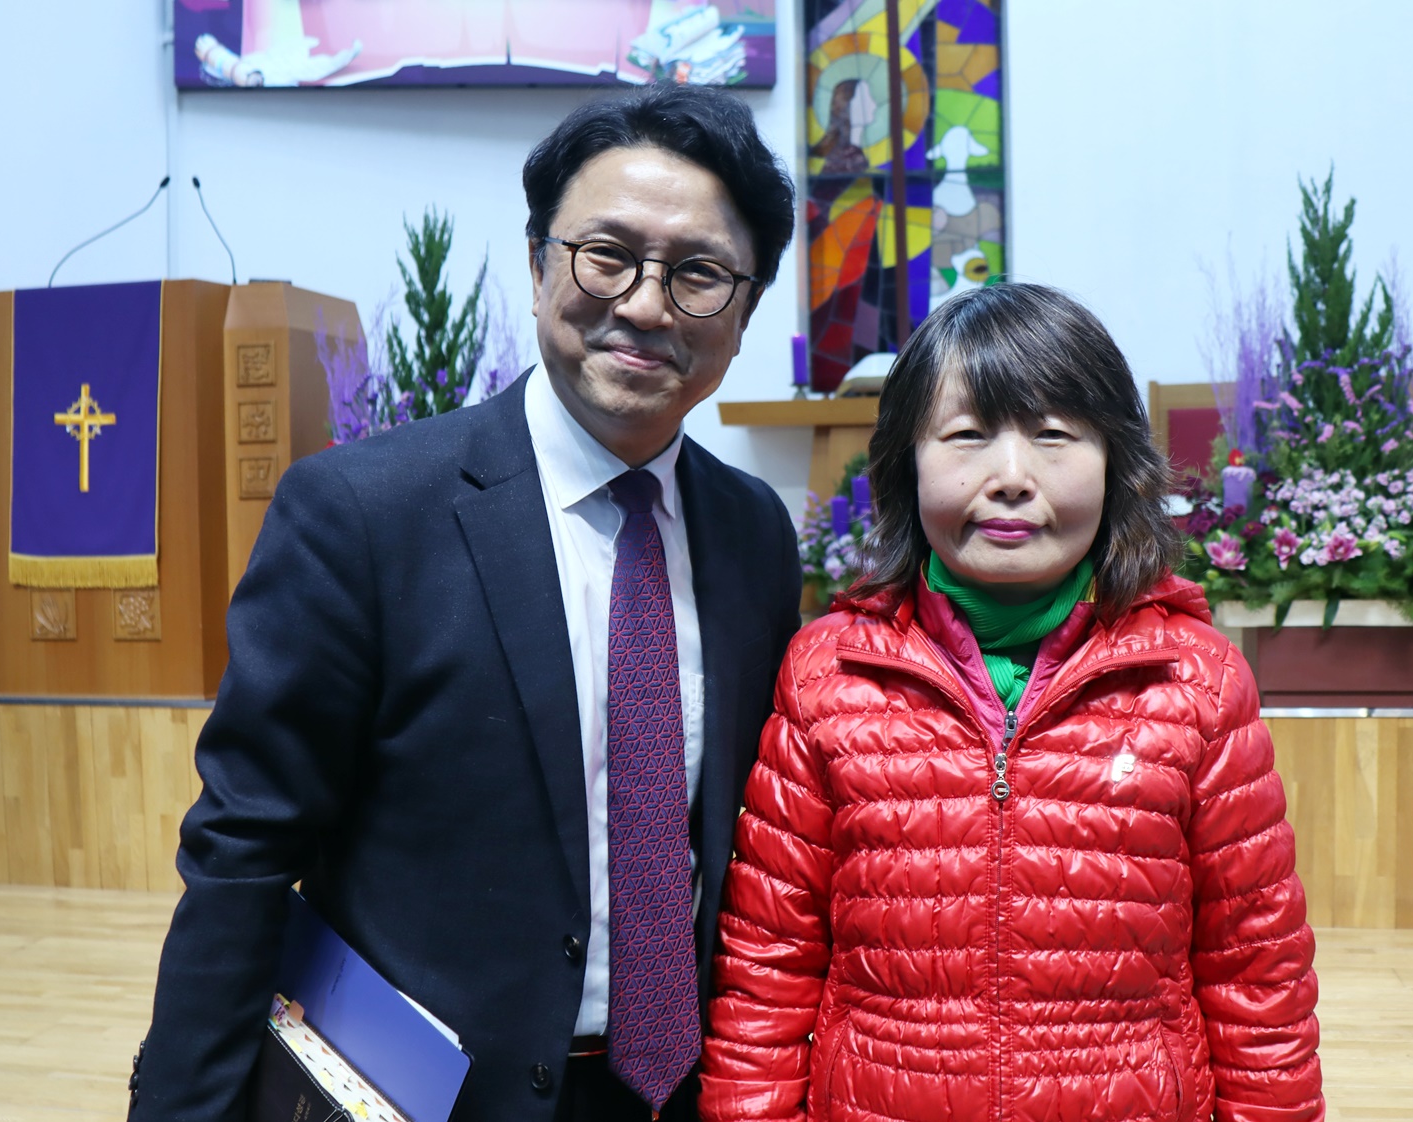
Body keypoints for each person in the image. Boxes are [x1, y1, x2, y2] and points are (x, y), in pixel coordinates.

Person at [130, 83, 803, 1122]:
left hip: (683, 1091)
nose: (644, 305)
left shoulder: (753, 534)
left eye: (699, 274)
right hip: (425, 1098)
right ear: (537, 266)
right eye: (607, 254)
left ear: (745, 312)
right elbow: (244, 852)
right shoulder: (363, 514)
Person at [698, 283, 1324, 1122]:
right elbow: (768, 963)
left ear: (1117, 461)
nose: (1012, 479)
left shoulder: (1195, 682)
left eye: (1054, 435)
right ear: (905, 460)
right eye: (966, 436)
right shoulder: (827, 676)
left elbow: (1257, 969)